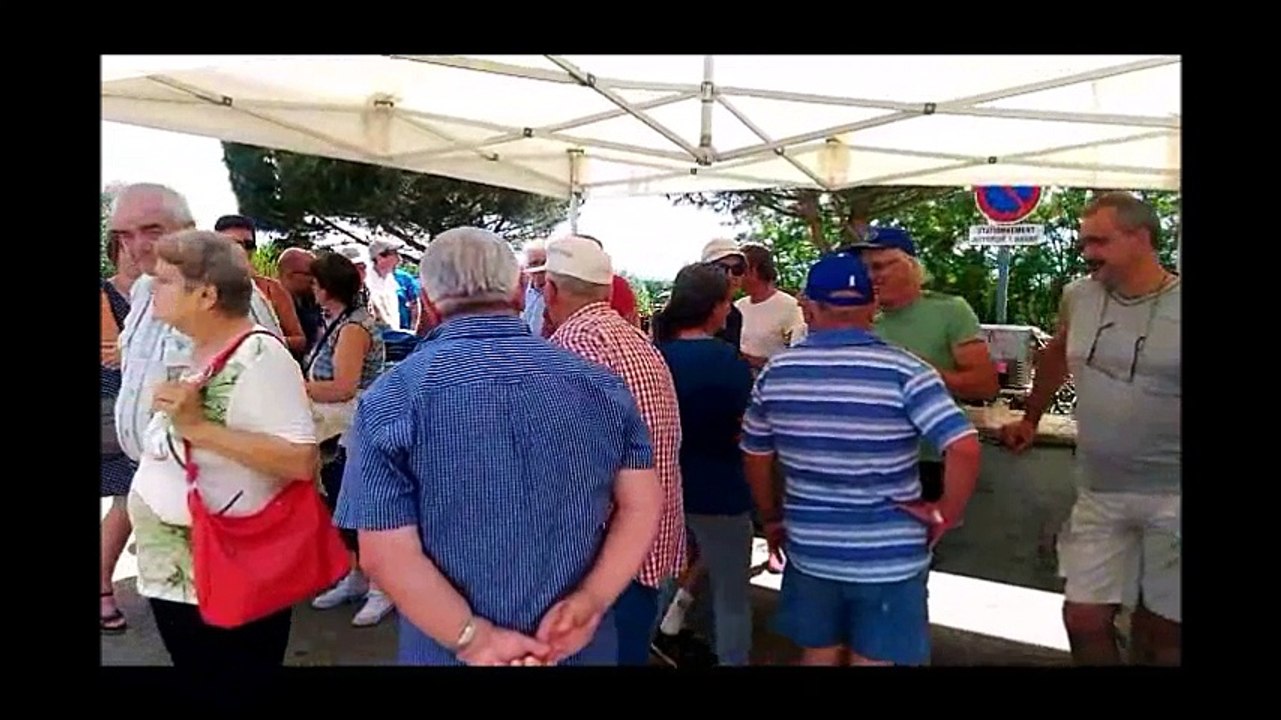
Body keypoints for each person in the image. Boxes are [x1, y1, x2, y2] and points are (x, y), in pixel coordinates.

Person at [333, 227, 663, 666]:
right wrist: (591, 600)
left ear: (428, 302)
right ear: (519, 288)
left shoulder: (391, 397)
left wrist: (474, 640)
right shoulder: (600, 386)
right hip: (572, 641)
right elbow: (642, 505)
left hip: (445, 648)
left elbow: (383, 554)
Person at [742, 251, 982, 666]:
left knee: (817, 653)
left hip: (811, 546)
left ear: (810, 307)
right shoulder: (908, 372)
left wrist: (772, 517)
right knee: (875, 659)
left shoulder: (778, 372)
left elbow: (755, 453)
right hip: (890, 556)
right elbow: (963, 445)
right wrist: (944, 513)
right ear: (872, 307)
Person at [998, 192, 1180, 666]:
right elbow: (1057, 352)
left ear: (1141, 238)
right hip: (1098, 488)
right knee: (1082, 618)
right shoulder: (1080, 295)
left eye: (1099, 241)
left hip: (1174, 493)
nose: (1088, 252)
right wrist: (1032, 417)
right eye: (1084, 242)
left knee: (1162, 628)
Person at [127, 230, 318, 667]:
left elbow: (300, 461)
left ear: (207, 294)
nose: (151, 289)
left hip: (226, 572)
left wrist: (196, 426)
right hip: (187, 576)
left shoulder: (260, 356)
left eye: (164, 281)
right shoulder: (207, 350)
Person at [543, 236, 685, 666]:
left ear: (551, 290)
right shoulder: (635, 339)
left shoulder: (573, 342)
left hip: (604, 543)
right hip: (646, 536)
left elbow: (568, 458)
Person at [844, 227, 998, 503]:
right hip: (868, 460)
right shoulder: (862, 321)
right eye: (865, 268)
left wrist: (920, 372)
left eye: (879, 267)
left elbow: (984, 386)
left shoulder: (950, 311)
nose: (870, 277)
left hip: (928, 459)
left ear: (911, 266)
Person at [652, 263, 756, 666]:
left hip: (666, 488)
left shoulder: (655, 356)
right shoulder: (728, 362)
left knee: (658, 579)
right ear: (715, 307)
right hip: (722, 491)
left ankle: (654, 640)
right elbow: (744, 428)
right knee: (732, 598)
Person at [303, 252, 391, 627]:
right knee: (343, 508)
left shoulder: (353, 328)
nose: (311, 289)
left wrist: (293, 384)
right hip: (340, 432)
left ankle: (381, 588)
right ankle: (357, 577)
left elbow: (343, 387)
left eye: (314, 283)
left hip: (354, 431)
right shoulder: (340, 322)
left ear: (326, 287)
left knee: (359, 509)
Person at [214, 214, 301, 350]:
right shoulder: (200, 289)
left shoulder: (270, 289)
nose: (241, 250)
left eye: (248, 245)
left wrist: (260, 344)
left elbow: (299, 340)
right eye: (233, 243)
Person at [736, 243, 807, 368]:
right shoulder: (737, 307)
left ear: (756, 269)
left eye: (741, 269)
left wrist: (750, 360)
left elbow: (797, 354)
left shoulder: (790, 307)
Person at [698, 239, 745, 352]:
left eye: (737, 269)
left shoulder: (735, 316)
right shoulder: (686, 309)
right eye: (722, 268)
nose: (730, 275)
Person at [276, 247, 323, 358]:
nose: (314, 280)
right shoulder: (270, 304)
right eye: (310, 273)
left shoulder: (313, 302)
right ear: (290, 275)